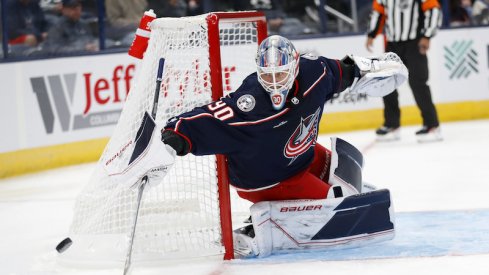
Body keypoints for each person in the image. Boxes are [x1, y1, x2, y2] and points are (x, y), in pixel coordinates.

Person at [366, 0, 443, 142]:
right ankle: (392, 124)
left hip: (415, 42)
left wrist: (427, 35)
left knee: (418, 83)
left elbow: (433, 10)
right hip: (393, 44)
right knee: (386, 82)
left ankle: (432, 125)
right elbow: (378, 12)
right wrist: (372, 34)